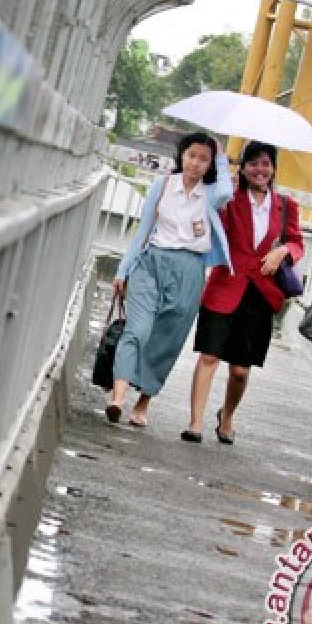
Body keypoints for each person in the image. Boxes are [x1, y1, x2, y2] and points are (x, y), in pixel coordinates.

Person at [106, 132, 233, 426]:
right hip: (151, 262)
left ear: (211, 163)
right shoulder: (163, 185)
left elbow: (227, 193)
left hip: (190, 269)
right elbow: (143, 230)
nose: (196, 163)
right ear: (181, 155)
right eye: (191, 155)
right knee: (137, 329)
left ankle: (142, 404)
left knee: (168, 339)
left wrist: (224, 157)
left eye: (204, 158)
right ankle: (118, 397)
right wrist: (123, 270)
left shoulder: (211, 193)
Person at [184, 141, 304, 443]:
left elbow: (297, 242)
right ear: (243, 167)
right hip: (225, 286)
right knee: (209, 356)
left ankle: (227, 415)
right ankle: (195, 422)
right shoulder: (230, 199)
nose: (259, 170)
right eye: (253, 163)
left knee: (240, 370)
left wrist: (284, 252)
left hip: (260, 293)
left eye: (265, 163)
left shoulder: (287, 206)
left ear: (274, 168)